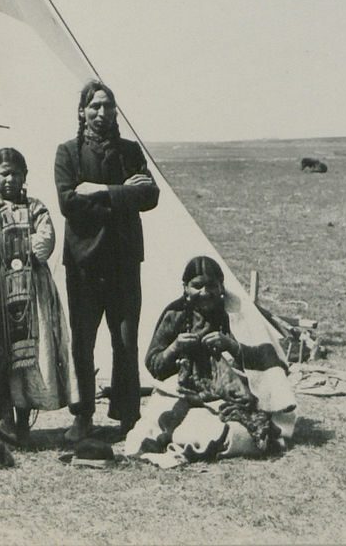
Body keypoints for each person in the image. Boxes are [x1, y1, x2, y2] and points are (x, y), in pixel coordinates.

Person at [54, 80, 159, 442]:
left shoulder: (130, 152)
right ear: (82, 111)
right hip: (84, 264)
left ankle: (128, 417)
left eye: (108, 106)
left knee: (126, 342)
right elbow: (68, 202)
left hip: (124, 262)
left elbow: (150, 194)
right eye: (95, 106)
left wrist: (100, 190)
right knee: (83, 342)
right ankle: (83, 415)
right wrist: (124, 196)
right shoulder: (67, 153)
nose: (102, 113)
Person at [122, 255, 294, 464]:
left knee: (202, 435)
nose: (205, 293)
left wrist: (232, 346)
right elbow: (154, 365)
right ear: (185, 287)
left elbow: (269, 360)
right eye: (197, 286)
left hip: (229, 394)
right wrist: (175, 347)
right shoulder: (175, 314)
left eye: (211, 286)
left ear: (222, 286)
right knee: (147, 431)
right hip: (182, 388)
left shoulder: (237, 312)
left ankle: (203, 439)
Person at [0, 148, 75, 441]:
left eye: (16, 173)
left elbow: (44, 244)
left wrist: (4, 238)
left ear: (25, 177)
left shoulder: (36, 206)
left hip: (32, 289)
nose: (10, 180)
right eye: (4, 173)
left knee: (28, 354)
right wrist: (12, 238)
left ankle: (24, 417)